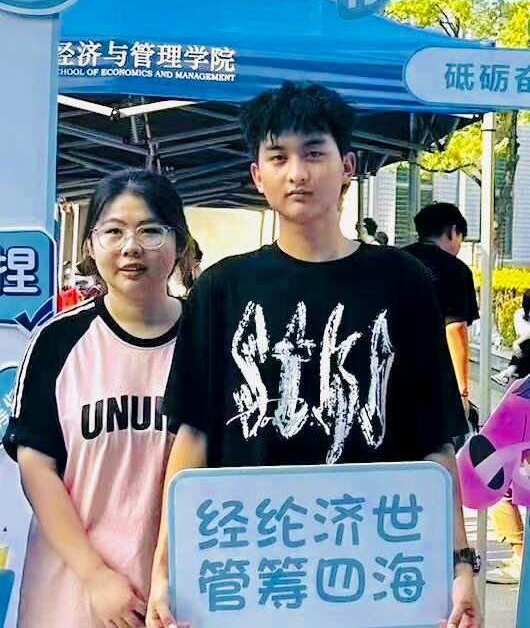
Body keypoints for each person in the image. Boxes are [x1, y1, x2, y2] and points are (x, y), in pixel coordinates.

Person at [147, 82, 481, 628]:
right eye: (278, 157)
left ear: (347, 166)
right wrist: (165, 571)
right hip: (254, 573)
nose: (297, 173)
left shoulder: (403, 282)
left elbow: (433, 441)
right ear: (258, 175)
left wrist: (459, 564)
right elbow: (193, 439)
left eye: (314, 153)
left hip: (374, 572)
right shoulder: (222, 289)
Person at [3, 169, 195, 628]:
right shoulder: (57, 341)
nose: (131, 247)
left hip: (178, 605)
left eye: (150, 231)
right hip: (71, 598)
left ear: (180, 243)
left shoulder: (209, 338)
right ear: (91, 246)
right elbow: (37, 468)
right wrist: (94, 575)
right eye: (113, 231)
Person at [404, 204, 479, 426]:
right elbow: (455, 329)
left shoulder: (394, 261)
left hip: (388, 377)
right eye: (460, 238)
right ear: (453, 231)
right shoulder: (455, 269)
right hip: (434, 383)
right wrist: (462, 393)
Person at [492, 289, 530, 386]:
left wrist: (516, 342)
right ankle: (509, 374)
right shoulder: (519, 313)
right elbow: (521, 333)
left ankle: (507, 373)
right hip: (526, 349)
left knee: (525, 345)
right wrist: (518, 342)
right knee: (526, 345)